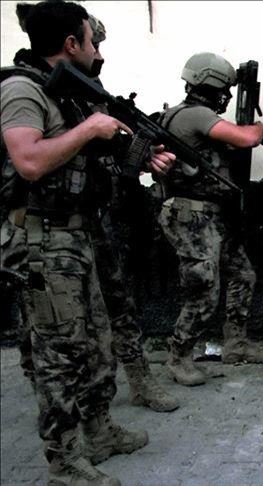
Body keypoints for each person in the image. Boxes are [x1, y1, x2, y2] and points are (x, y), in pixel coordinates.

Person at [0, 2, 175, 484]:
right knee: (58, 355)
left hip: (77, 234)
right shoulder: (21, 89)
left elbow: (92, 154)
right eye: (91, 40)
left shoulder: (71, 92)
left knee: (96, 341)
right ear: (71, 43)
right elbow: (29, 162)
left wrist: (139, 152)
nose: (97, 50)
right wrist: (90, 128)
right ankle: (64, 461)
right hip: (42, 238)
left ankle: (99, 431)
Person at [156, 52, 263, 387]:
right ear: (212, 85)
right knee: (204, 290)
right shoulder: (194, 114)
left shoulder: (187, 113)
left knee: (243, 274)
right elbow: (245, 137)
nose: (227, 96)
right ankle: (179, 356)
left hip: (211, 214)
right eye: (225, 89)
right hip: (192, 215)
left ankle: (236, 345)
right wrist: (260, 128)